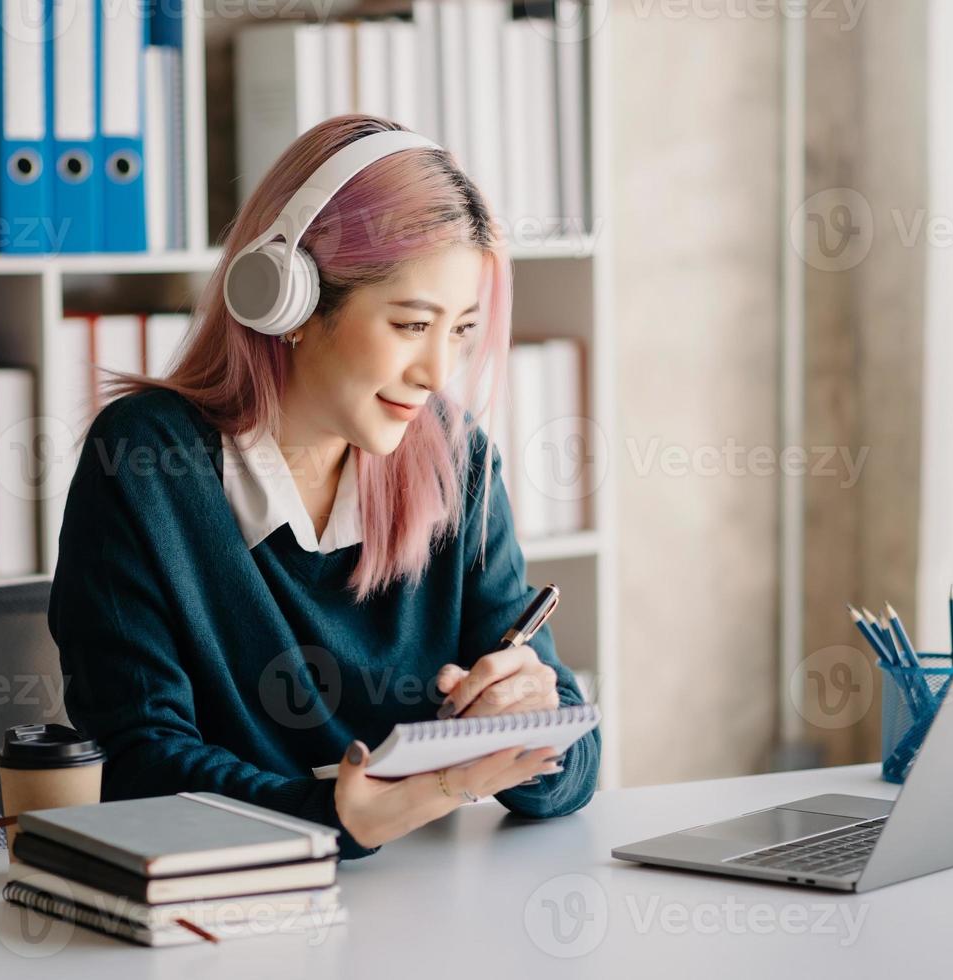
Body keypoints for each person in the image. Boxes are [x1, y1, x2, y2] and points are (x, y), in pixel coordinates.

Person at [50, 114, 599, 859]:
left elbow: (573, 767)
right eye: (411, 324)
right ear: (291, 301)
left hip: (419, 915)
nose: (438, 373)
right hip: (216, 911)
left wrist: (534, 720)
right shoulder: (148, 460)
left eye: (461, 331)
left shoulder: (452, 456)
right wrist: (336, 818)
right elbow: (137, 763)